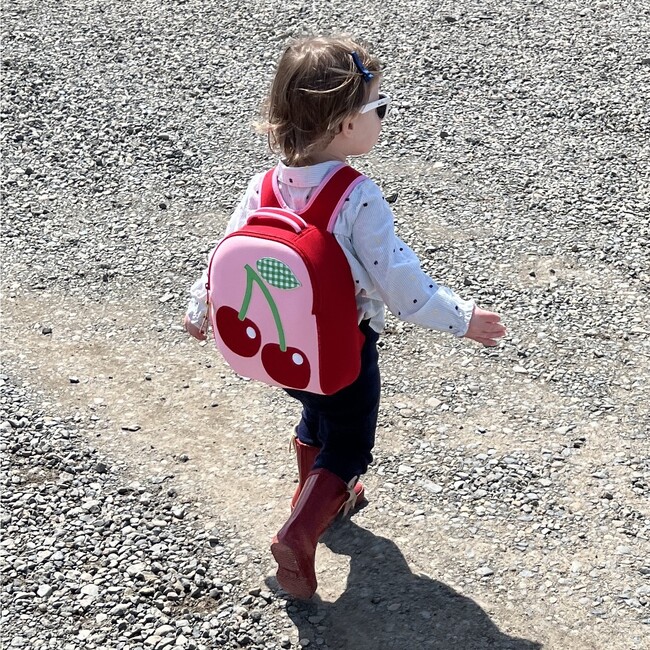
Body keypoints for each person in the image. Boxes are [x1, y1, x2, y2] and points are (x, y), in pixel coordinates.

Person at [184, 35, 506, 600]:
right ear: (342, 125)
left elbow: (225, 251)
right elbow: (401, 285)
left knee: (316, 413)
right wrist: (463, 318)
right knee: (351, 441)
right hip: (343, 348)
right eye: (378, 108)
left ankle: (320, 494)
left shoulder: (264, 185)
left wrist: (200, 303)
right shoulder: (355, 196)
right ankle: (302, 528)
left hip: (286, 350)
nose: (384, 118)